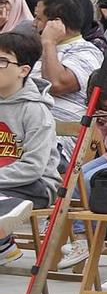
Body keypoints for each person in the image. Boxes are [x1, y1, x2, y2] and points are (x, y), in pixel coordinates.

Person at [0, 32, 57, 269]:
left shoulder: (35, 111)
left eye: (2, 61)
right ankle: (4, 245)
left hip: (36, 185)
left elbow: (34, 167)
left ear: (23, 70)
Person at [30, 0, 103, 121]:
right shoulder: (38, 48)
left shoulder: (87, 52)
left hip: (62, 136)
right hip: (25, 130)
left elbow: (56, 84)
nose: (34, 24)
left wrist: (49, 43)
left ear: (56, 23)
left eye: (39, 18)